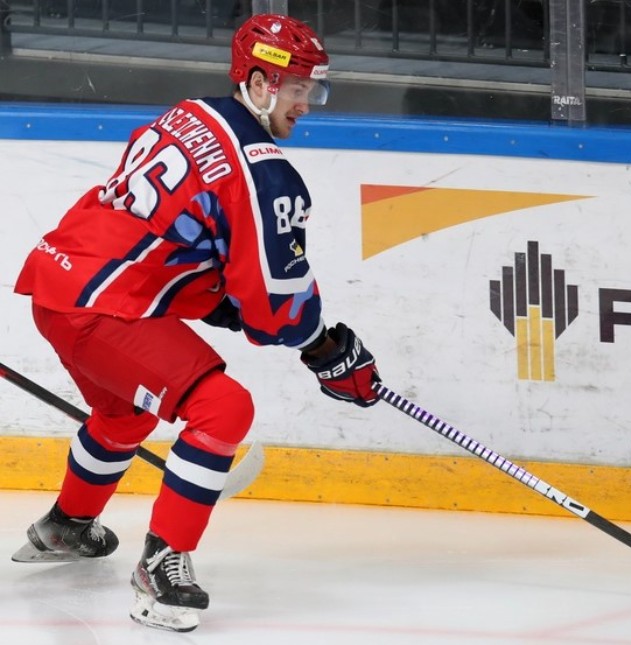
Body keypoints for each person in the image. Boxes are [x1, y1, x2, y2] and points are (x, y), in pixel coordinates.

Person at [11, 13, 380, 633]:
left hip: (57, 283)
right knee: (223, 408)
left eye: (312, 89)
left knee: (125, 414)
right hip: (101, 307)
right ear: (259, 83)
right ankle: (160, 569)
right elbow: (276, 304)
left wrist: (224, 304)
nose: (306, 104)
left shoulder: (188, 115)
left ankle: (67, 527)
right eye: (298, 89)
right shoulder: (264, 175)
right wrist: (326, 350)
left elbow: (166, 238)